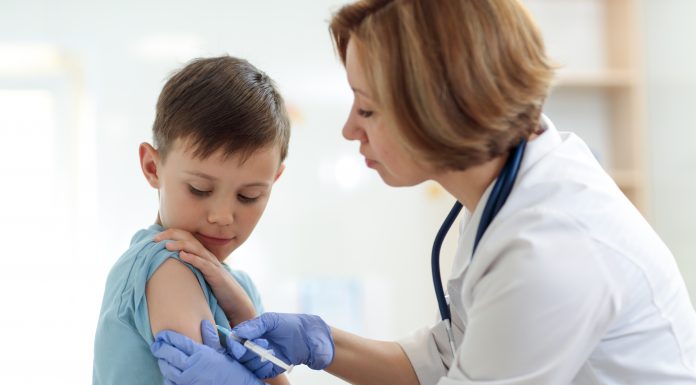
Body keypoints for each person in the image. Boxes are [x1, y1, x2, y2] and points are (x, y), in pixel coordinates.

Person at [150, 1, 696, 384]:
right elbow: (447, 358)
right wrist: (322, 343)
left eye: (366, 107)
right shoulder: (509, 196)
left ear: (433, 112)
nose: (349, 129)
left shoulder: (551, 249)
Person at [92, 56, 292, 385]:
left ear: (275, 179)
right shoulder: (168, 262)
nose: (222, 217)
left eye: (249, 196)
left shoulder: (238, 288)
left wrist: (244, 311)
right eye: (199, 189)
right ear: (153, 168)